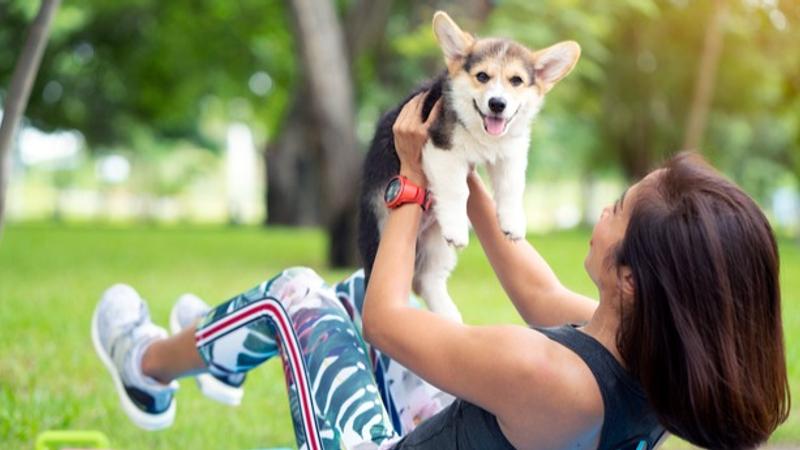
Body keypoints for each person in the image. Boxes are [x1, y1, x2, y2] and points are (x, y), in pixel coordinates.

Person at [92, 92, 789, 449]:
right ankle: (220, 349)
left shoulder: (548, 377)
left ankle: (145, 368)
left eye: (617, 209)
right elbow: (536, 289)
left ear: (631, 277)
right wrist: (459, 166)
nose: (602, 213)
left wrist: (410, 184)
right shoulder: (651, 357)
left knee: (298, 296)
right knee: (359, 285)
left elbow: (386, 324)